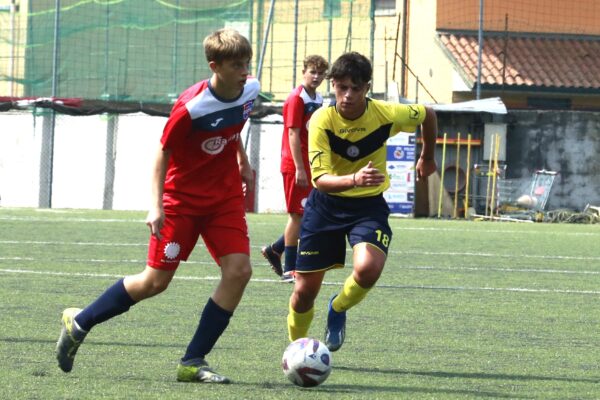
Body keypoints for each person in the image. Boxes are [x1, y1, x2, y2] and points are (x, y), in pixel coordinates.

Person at [55, 28, 259, 384]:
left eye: (247, 63)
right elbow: (162, 152)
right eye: (237, 65)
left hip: (224, 198)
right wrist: (156, 206)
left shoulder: (251, 90)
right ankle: (81, 321)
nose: (245, 71)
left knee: (239, 271)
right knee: (155, 282)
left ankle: (193, 361)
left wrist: (241, 158)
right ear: (215, 66)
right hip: (181, 201)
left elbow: (233, 123)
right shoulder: (190, 107)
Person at [285, 52, 438, 352]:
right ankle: (298, 350)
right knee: (304, 291)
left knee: (368, 268)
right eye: (341, 87)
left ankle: (338, 308)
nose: (348, 95)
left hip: (367, 206)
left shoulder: (385, 114)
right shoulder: (321, 120)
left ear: (367, 88)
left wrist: (427, 156)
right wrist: (354, 179)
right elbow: (320, 180)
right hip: (326, 205)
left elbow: (428, 114)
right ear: (333, 86)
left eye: (356, 88)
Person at [261, 55, 329, 283]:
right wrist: (299, 167)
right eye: (312, 72)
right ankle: (289, 268)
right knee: (298, 215)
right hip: (296, 165)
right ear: (303, 72)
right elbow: (293, 133)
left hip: (311, 164)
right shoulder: (295, 98)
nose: (316, 77)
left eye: (320, 73)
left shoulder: (318, 98)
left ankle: (275, 249)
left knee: (310, 213)